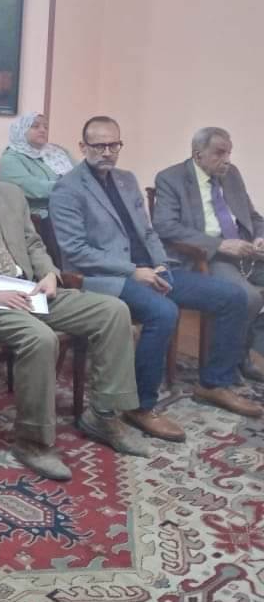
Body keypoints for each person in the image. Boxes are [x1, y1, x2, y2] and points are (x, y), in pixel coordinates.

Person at [0, 131, 149, 480]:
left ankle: (103, 416)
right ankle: (32, 440)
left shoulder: (11, 195)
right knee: (40, 338)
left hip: (29, 291)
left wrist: (48, 273)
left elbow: (33, 243)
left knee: (113, 311)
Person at [50, 117, 260, 438]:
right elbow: (76, 251)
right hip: (106, 277)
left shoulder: (126, 179)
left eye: (114, 145)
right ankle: (140, 405)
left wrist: (160, 264)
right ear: (83, 147)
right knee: (163, 312)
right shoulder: (67, 189)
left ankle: (215, 383)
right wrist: (133, 271)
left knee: (232, 296)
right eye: (99, 145)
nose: (107, 152)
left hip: (152, 270)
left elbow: (148, 232)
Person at [153, 127, 264, 382]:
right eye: (220, 153)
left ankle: (241, 350)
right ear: (198, 154)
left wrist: (259, 235)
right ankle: (233, 362)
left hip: (245, 251)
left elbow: (253, 216)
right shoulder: (171, 178)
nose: (227, 160)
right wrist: (220, 245)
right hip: (208, 256)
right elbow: (165, 226)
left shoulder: (232, 174)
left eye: (229, 153)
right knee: (248, 297)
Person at [0, 112, 75, 219]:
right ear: (20, 130)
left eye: (46, 127)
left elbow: (81, 172)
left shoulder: (57, 151)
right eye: (35, 126)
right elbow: (34, 188)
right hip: (39, 216)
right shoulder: (9, 159)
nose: (43, 130)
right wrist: (71, 187)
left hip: (70, 207)